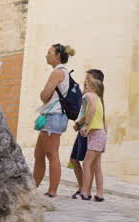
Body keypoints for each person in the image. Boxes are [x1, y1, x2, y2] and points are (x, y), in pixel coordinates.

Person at [33, 43, 75, 197]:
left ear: (57, 55)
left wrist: (42, 93)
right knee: (39, 154)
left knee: (52, 154)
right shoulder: (62, 72)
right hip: (54, 117)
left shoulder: (57, 72)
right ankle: (33, 187)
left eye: (49, 52)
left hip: (54, 117)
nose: (47, 55)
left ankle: (52, 191)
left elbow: (45, 96)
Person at [74, 69, 107, 202]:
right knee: (96, 166)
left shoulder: (88, 96)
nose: (85, 83)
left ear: (94, 86)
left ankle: (85, 192)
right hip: (101, 134)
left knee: (87, 164)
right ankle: (99, 193)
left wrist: (86, 125)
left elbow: (92, 108)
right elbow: (104, 120)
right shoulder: (99, 99)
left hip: (95, 134)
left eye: (88, 82)